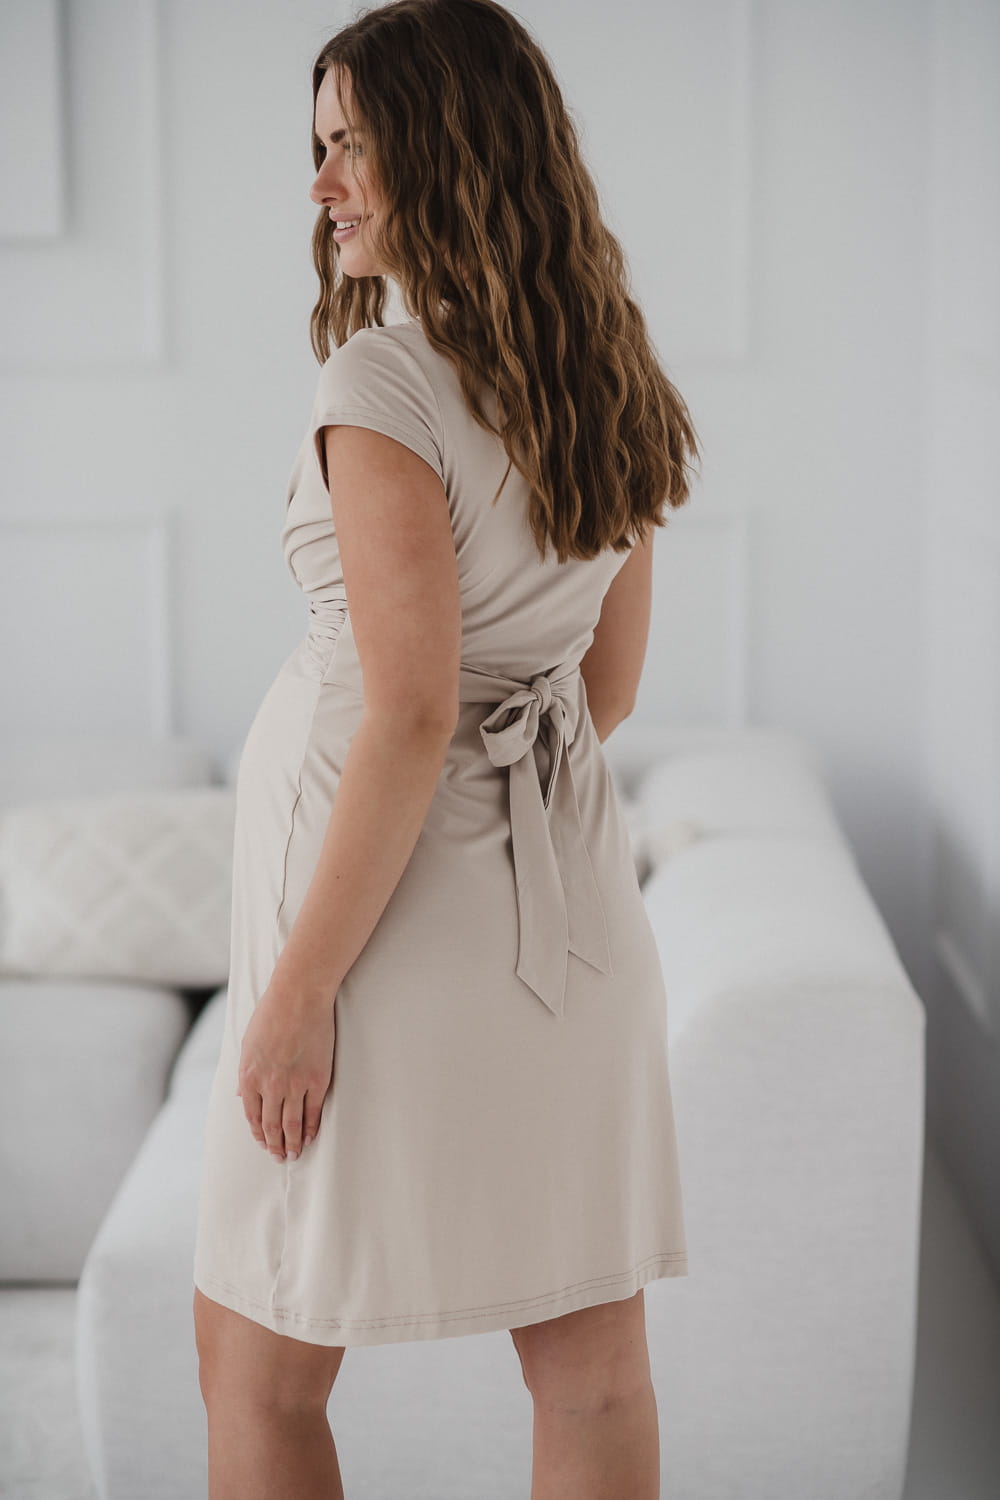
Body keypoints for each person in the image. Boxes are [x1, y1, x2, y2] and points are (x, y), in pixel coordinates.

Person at [192, 1, 701, 1495]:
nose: (322, 184)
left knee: (255, 1366)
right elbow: (604, 688)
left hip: (376, 929)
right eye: (321, 146)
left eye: (352, 144)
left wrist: (298, 995)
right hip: (568, 917)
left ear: (447, 147)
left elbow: (411, 712)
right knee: (592, 1372)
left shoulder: (383, 382)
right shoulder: (606, 367)